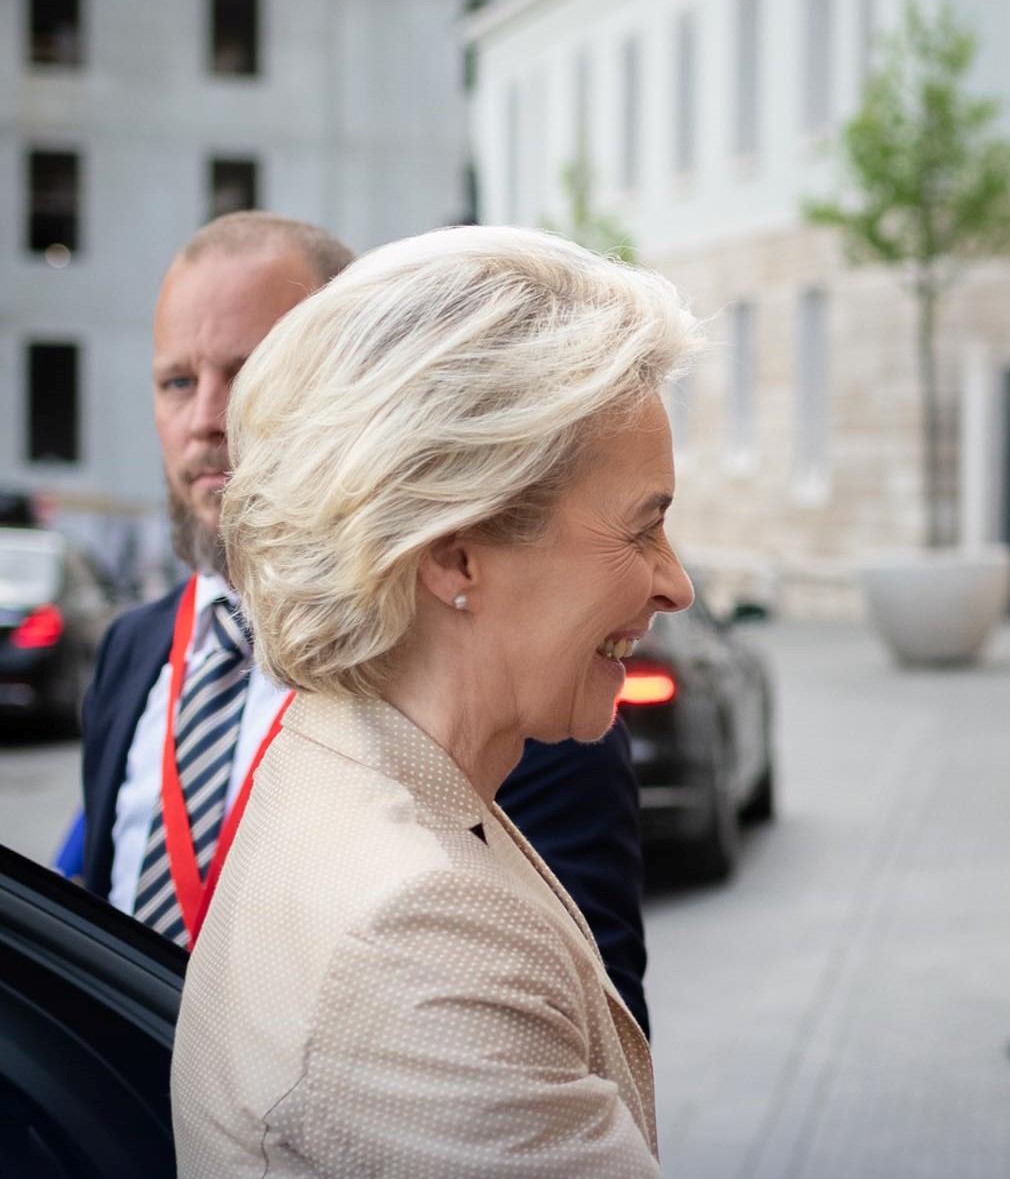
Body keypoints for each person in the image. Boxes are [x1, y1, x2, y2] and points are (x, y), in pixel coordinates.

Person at [172, 225, 696, 1174]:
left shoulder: (333, 752)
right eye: (641, 529)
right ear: (455, 555)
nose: (675, 584)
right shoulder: (419, 937)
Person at [76, 211, 653, 1030]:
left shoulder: (507, 687)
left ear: (361, 385)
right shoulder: (129, 654)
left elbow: (583, 1028)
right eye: (177, 381)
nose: (206, 416)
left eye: (249, 371)